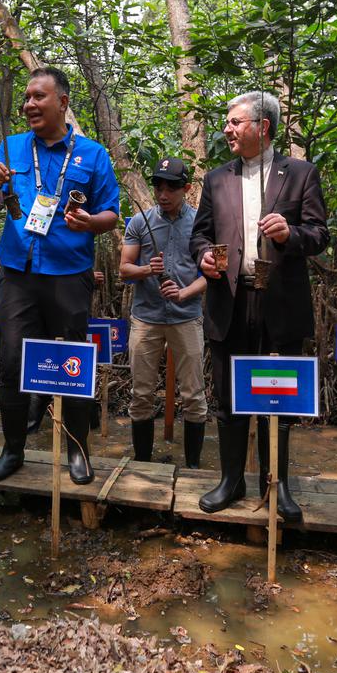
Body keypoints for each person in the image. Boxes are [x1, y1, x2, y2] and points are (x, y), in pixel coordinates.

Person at [190, 90, 329, 518]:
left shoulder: (301, 174)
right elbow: (199, 234)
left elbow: (320, 235)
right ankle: (230, 481)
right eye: (227, 122)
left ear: (262, 127)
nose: (226, 129)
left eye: (234, 122)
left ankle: (278, 486)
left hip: (279, 304)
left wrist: (290, 235)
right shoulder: (216, 179)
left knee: (279, 396)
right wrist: (202, 258)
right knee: (229, 397)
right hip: (228, 302)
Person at [0, 67, 121, 485]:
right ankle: (12, 451)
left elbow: (112, 215)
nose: (28, 105)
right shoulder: (12, 147)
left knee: (74, 363)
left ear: (62, 102)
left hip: (69, 273)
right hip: (18, 274)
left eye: (38, 97)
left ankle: (78, 453)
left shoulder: (93, 154)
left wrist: (90, 222)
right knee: (10, 363)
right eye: (26, 98)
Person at [119, 157, 207, 467]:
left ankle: (193, 468)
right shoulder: (139, 222)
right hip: (147, 318)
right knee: (141, 394)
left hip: (187, 317)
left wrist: (184, 292)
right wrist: (146, 269)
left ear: (186, 188)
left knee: (194, 396)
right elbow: (124, 270)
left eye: (171, 188)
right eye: (158, 187)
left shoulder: (200, 223)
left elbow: (211, 273)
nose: (163, 194)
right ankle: (142, 463)